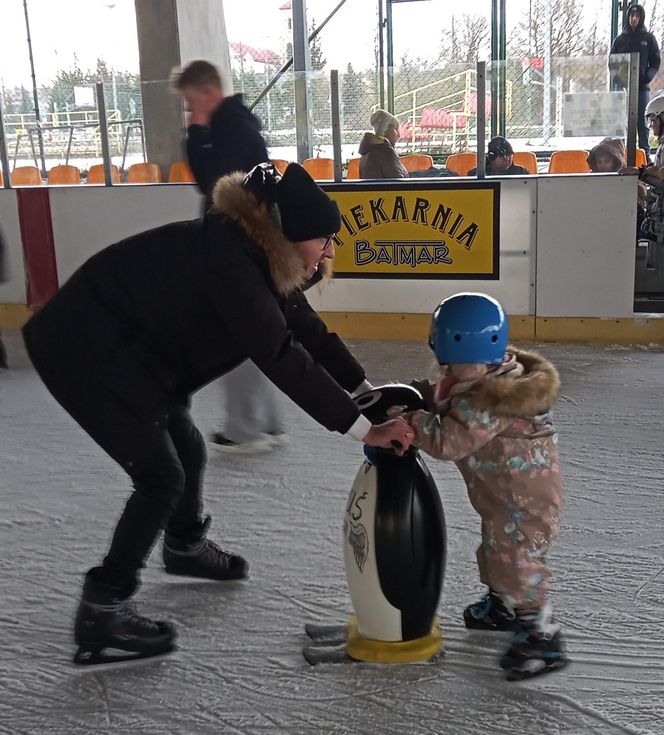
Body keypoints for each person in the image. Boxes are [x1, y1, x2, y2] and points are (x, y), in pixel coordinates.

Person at [22, 162, 415, 665]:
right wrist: (363, 427)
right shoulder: (232, 264)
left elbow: (305, 326)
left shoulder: (254, 250)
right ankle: (103, 610)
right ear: (289, 232)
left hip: (132, 352)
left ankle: (183, 547)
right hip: (87, 352)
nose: (330, 253)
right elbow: (279, 354)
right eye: (325, 240)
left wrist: (364, 390)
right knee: (162, 476)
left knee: (187, 447)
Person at [406, 292, 567, 681]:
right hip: (502, 496)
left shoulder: (493, 398)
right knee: (495, 551)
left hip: (524, 501)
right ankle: (503, 607)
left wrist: (411, 419)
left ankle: (541, 633)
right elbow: (452, 396)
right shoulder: (485, 376)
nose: (447, 372)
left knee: (517, 560)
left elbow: (450, 441)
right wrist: (426, 396)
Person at [171, 59, 286, 453]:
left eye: (190, 102)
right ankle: (266, 423)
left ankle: (246, 427)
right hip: (249, 242)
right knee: (250, 331)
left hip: (240, 245)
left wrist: (196, 134)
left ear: (208, 94)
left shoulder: (230, 130)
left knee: (235, 334)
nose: (189, 111)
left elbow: (211, 184)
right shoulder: (237, 125)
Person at [609, 3, 660, 154]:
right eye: (631, 15)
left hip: (642, 87)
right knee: (621, 121)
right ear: (627, 17)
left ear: (641, 18)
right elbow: (612, 62)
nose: (634, 19)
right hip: (623, 88)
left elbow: (655, 61)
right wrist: (619, 80)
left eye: (637, 16)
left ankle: (644, 152)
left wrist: (647, 77)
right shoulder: (619, 40)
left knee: (642, 121)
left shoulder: (649, 39)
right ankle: (621, 152)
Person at [588, 137, 647, 234]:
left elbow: (641, 195)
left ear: (616, 161)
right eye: (600, 162)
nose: (603, 165)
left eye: (607, 161)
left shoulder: (627, 178)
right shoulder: (592, 179)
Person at [358, 109, 408, 179]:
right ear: (385, 130)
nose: (399, 135)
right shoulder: (386, 152)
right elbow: (398, 184)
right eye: (396, 129)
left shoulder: (367, 151)